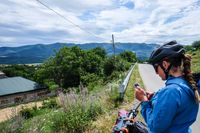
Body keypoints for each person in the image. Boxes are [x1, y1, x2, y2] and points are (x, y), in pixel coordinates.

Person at [135, 40, 200, 133]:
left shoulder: (171, 91)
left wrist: (144, 101)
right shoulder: (189, 83)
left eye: (155, 67)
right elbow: (179, 106)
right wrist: (155, 97)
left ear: (165, 64)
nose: (156, 73)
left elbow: (155, 126)